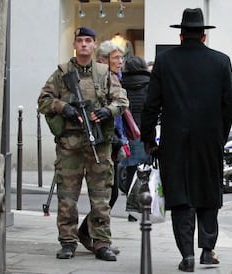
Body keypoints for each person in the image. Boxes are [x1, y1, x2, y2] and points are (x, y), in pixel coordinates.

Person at [140, 8, 232, 272]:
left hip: (175, 139)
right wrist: (220, 132)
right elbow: (230, 103)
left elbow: (151, 105)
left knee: (181, 196)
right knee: (208, 191)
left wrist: (148, 138)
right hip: (209, 139)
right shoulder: (221, 61)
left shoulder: (165, 61)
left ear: (181, 35)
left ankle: (187, 255)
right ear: (204, 36)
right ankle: (207, 249)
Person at [38, 27, 129, 261]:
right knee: (67, 197)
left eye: (89, 40)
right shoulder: (62, 73)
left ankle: (101, 242)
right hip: (70, 145)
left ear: (95, 44)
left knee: (101, 197)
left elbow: (121, 100)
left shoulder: (104, 73)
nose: (84, 45)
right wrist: (64, 107)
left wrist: (106, 111)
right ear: (75, 45)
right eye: (80, 41)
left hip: (98, 145)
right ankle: (68, 241)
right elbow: (44, 100)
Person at [77, 40, 127, 255]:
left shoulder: (116, 79)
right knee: (107, 193)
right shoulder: (100, 78)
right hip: (102, 142)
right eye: (116, 58)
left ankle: (91, 234)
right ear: (103, 60)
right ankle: (92, 235)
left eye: (121, 58)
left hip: (113, 141)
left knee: (110, 192)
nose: (120, 61)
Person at [121, 56, 151, 221]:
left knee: (130, 170)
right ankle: (141, 207)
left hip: (127, 130)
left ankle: (130, 208)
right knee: (144, 170)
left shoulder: (121, 83)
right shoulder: (150, 83)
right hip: (144, 132)